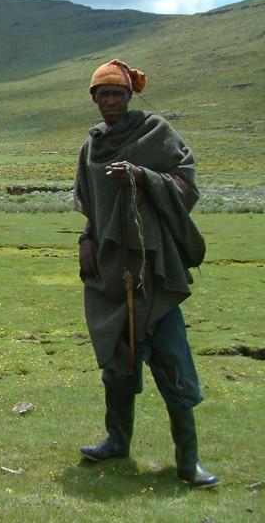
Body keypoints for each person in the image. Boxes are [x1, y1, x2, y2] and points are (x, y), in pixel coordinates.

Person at [73, 59, 219, 488]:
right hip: (112, 276)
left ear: (130, 96)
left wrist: (142, 177)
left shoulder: (155, 133)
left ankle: (188, 460)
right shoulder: (92, 148)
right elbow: (93, 209)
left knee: (173, 362)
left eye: (117, 94)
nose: (111, 102)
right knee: (117, 363)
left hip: (154, 272)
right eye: (103, 96)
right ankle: (117, 441)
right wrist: (86, 240)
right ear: (95, 101)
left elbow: (186, 184)